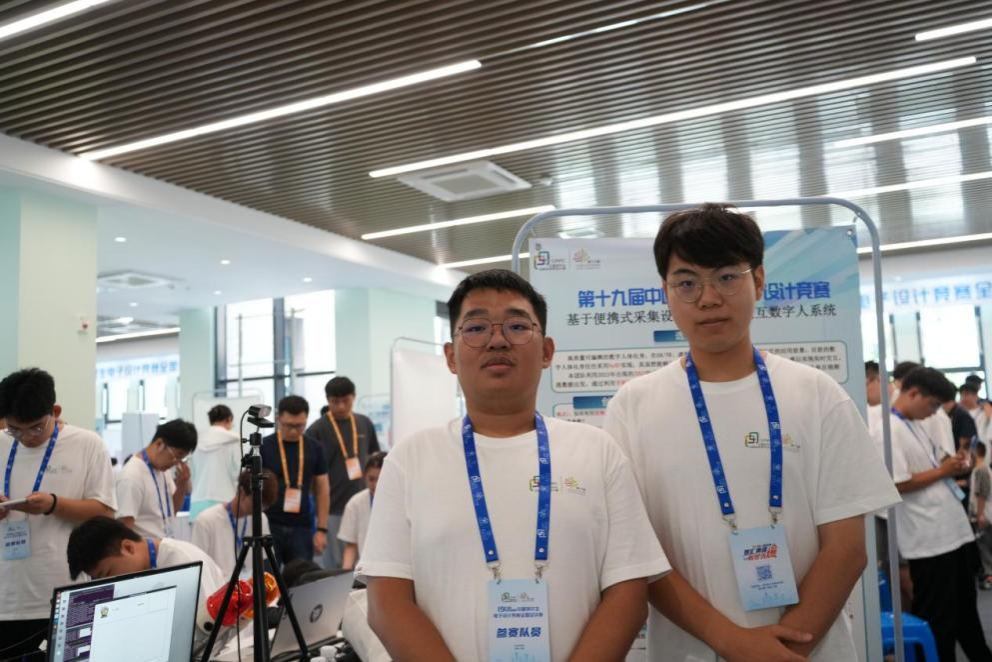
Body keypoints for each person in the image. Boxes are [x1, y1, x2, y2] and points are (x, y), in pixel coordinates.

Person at [603, 204, 900, 661]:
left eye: (726, 277)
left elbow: (846, 549)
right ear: (666, 292)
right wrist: (733, 642)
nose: (708, 298)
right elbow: (639, 555)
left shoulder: (817, 394)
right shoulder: (632, 406)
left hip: (810, 650)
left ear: (758, 280)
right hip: (690, 651)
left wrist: (785, 650)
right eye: (687, 282)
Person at [360, 269, 670, 661]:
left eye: (517, 326)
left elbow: (628, 594)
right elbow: (386, 602)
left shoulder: (597, 451)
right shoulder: (410, 458)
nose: (497, 340)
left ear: (547, 351)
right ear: (451, 356)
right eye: (476, 328)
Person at [0, 368, 117, 659]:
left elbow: (105, 515)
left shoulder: (87, 444)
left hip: (63, 593)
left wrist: (54, 505)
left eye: (35, 428)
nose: (25, 437)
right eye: (14, 429)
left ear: (55, 411)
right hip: (6, 597)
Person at [887, 366, 992, 660]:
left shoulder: (915, 423)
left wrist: (951, 464)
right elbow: (897, 483)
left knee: (965, 607)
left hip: (951, 531)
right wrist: (942, 471)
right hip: (928, 539)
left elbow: (932, 464)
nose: (933, 412)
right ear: (913, 393)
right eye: (932, 405)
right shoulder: (888, 429)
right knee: (938, 617)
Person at [66, 516, 227, 651]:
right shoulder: (142, 570)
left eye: (107, 573)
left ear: (128, 547)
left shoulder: (184, 563)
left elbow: (206, 636)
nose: (110, 583)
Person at [306, 376, 380, 569]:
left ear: (354, 397)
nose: (340, 406)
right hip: (333, 508)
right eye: (335, 402)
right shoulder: (317, 430)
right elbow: (311, 476)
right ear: (327, 400)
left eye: (345, 401)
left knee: (366, 562)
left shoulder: (364, 423)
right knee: (336, 567)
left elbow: (375, 459)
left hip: (365, 505)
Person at [261, 395, 329, 566]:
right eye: (288, 425)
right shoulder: (264, 446)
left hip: (302, 527)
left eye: (299, 426)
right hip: (270, 524)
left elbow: (322, 489)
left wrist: (321, 529)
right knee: (268, 578)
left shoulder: (314, 448)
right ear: (278, 419)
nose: (293, 431)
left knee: (302, 578)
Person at [116, 419, 197, 538]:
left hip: (164, 543)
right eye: (177, 456)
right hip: (146, 547)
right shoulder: (131, 476)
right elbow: (124, 530)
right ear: (159, 444)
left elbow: (171, 512)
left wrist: (181, 485)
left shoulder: (163, 471)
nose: (176, 463)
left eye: (182, 459)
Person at [191, 469, 277, 580]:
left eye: (264, 506)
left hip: (248, 586)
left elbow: (265, 561)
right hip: (217, 586)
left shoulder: (260, 519)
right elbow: (197, 566)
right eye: (256, 503)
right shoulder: (206, 521)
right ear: (242, 492)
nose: (259, 509)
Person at [189, 404, 243, 521]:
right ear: (228, 419)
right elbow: (238, 473)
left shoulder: (196, 440)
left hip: (197, 502)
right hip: (225, 500)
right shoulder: (233, 440)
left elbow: (191, 474)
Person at [338, 451, 385, 571]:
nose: (375, 485)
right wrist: (345, 574)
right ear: (365, 477)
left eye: (380, 479)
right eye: (371, 479)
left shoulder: (403, 501)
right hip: (364, 569)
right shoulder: (355, 504)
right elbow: (351, 546)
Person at [970, 442, 992, 590]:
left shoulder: (981, 470)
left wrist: (980, 515)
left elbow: (981, 494)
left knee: (985, 550)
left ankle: (989, 577)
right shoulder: (982, 470)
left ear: (975, 453)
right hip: (986, 515)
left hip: (985, 515)